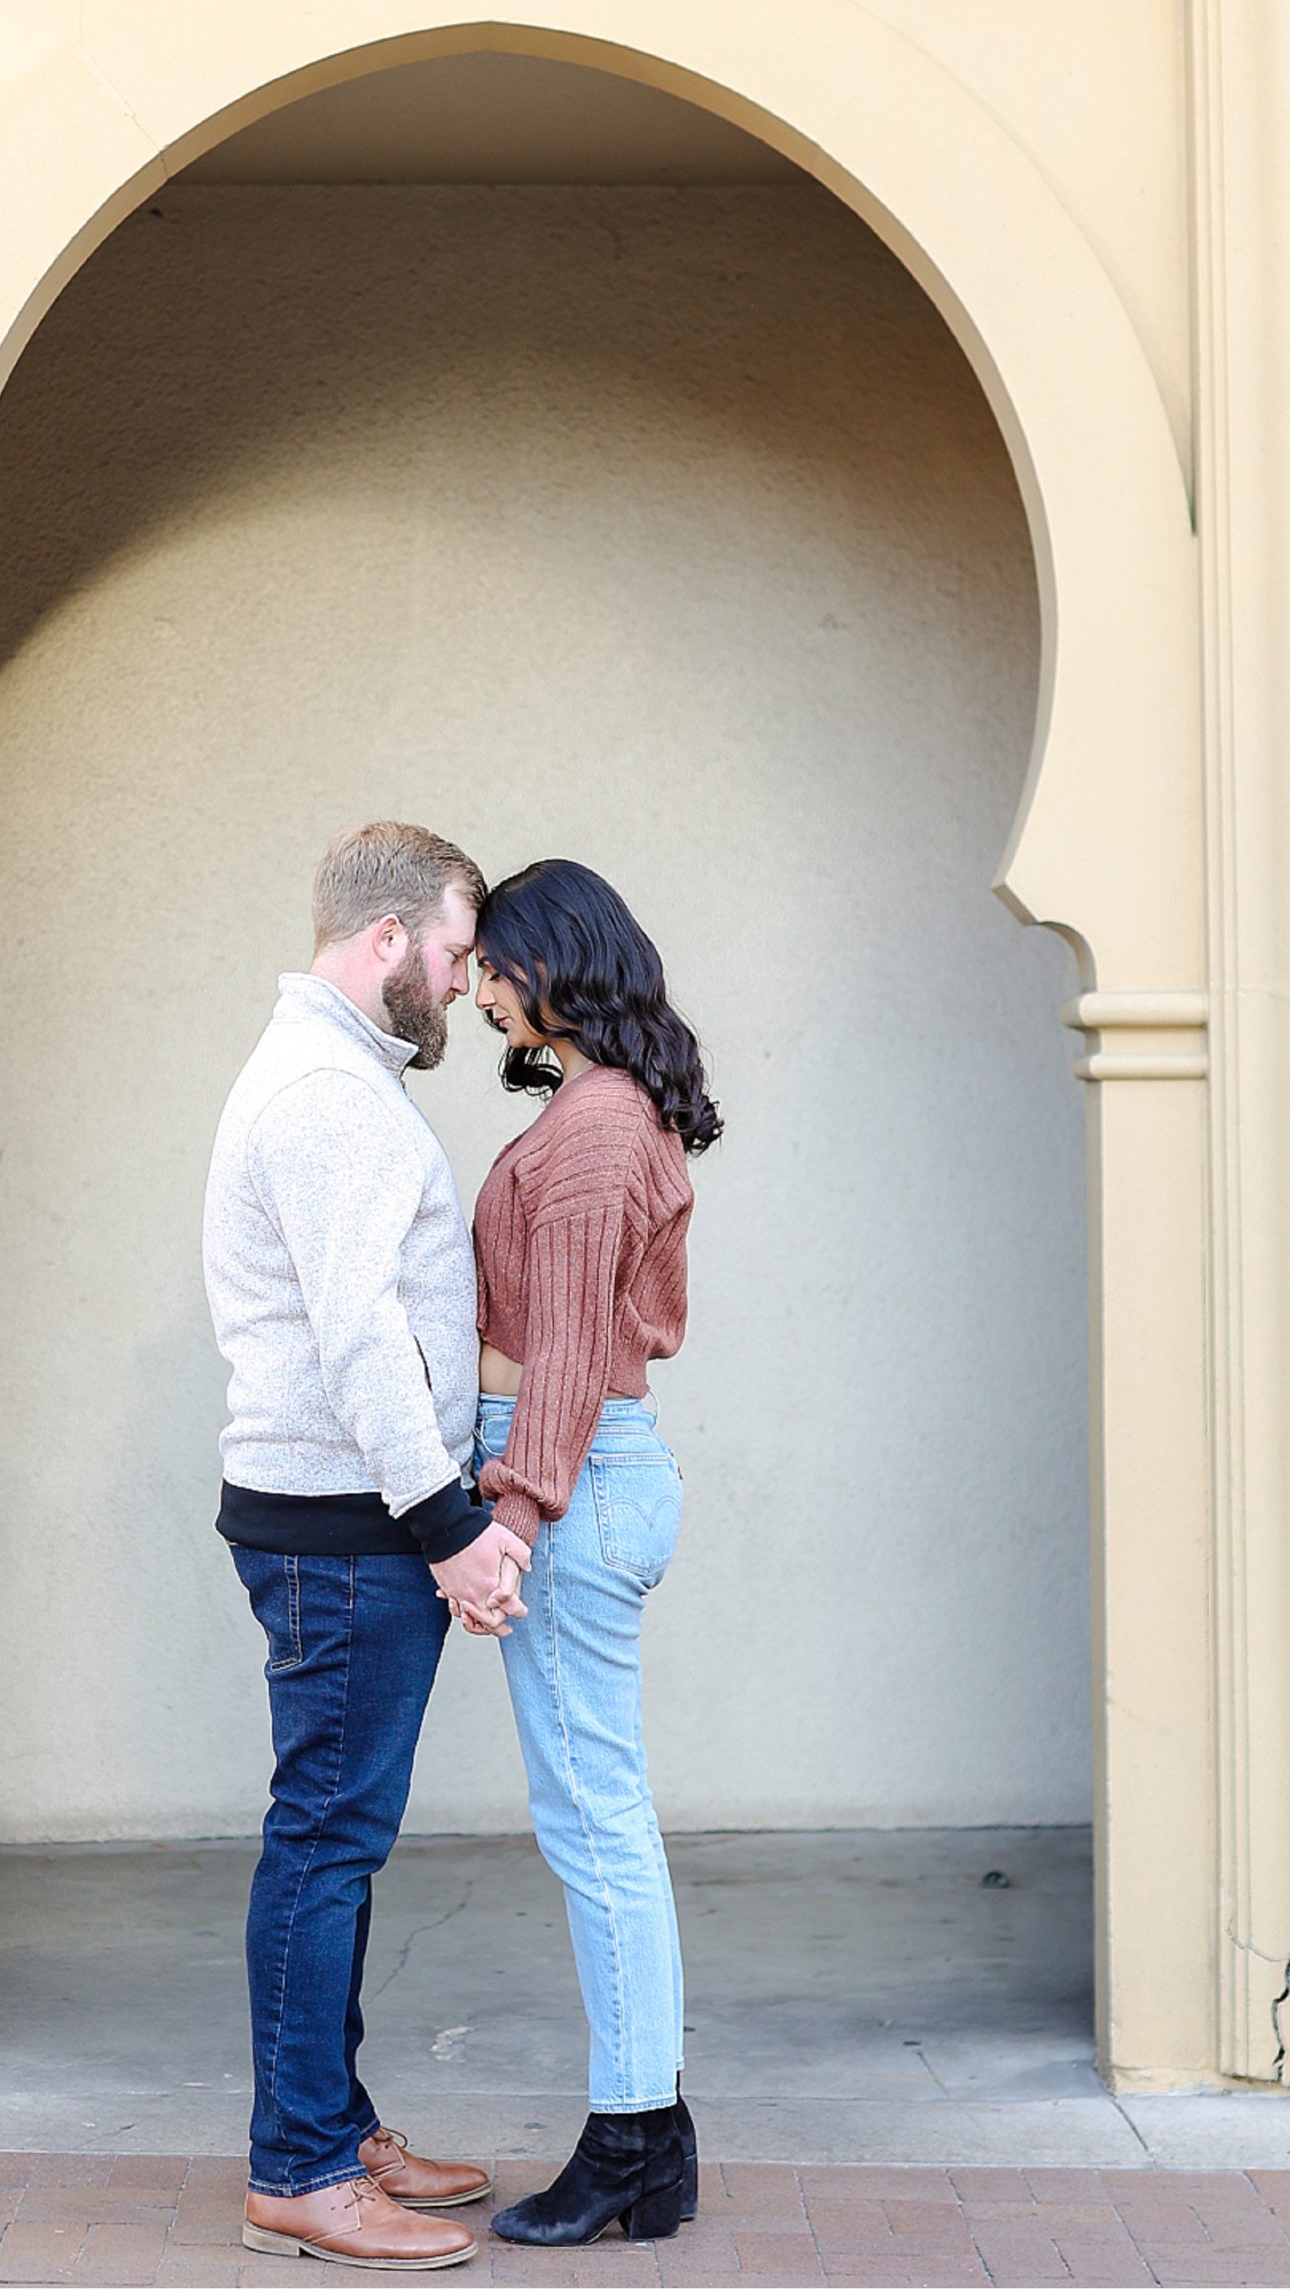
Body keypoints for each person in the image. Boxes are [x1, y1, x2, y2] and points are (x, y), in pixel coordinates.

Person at [203, 821, 534, 2273]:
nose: (467, 986)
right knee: (325, 1841)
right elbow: (356, 1340)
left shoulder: (336, 1076)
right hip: (348, 1531)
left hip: (343, 1522)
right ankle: (301, 2169)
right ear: (387, 938)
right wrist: (450, 1527)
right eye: (458, 953)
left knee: (334, 1834)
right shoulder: (330, 1096)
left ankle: (329, 2122)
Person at [460, 858, 722, 2246]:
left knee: (595, 1827)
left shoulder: (599, 1125)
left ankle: (628, 2141)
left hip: (569, 1479)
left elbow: (563, 1346)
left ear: (555, 962)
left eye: (496, 963)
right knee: (595, 1818)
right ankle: (652, 2144)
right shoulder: (596, 1111)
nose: (478, 985)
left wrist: (511, 1512)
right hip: (584, 1473)